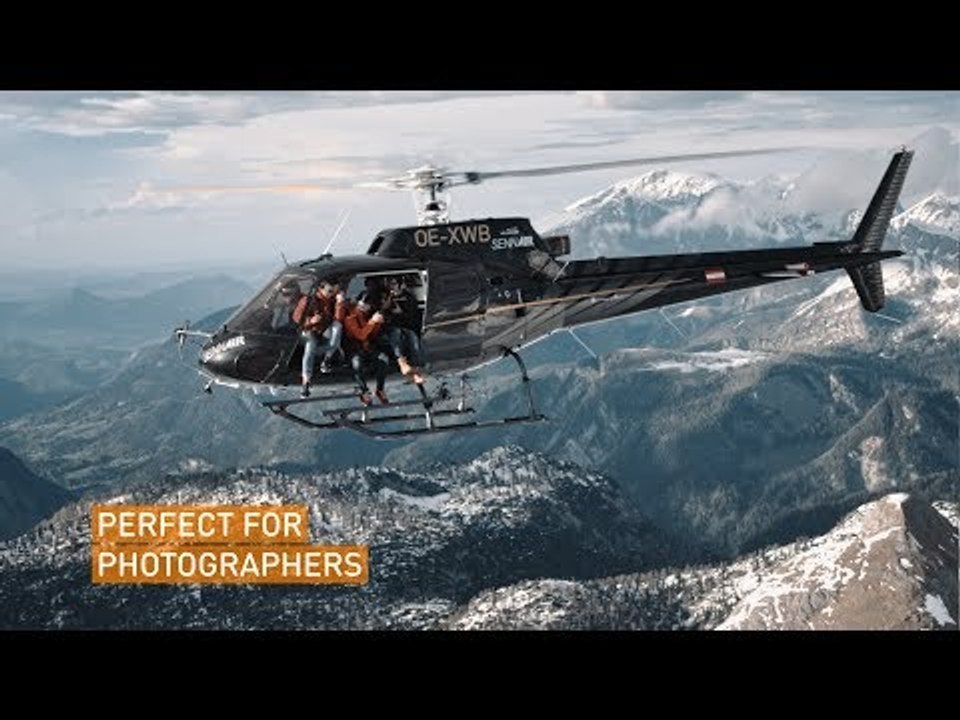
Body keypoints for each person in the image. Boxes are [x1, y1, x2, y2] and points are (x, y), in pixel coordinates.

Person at [291, 278, 346, 397]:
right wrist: (311, 320)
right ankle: (306, 380)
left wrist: (339, 303)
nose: (332, 293)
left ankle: (327, 360)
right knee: (311, 344)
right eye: (330, 291)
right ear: (320, 289)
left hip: (323, 330)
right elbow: (296, 318)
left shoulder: (331, 300)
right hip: (308, 330)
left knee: (337, 327)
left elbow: (338, 319)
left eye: (334, 291)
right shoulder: (308, 300)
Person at [343, 291, 389, 405]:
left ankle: (380, 389)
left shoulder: (366, 315)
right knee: (357, 363)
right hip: (354, 348)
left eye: (366, 304)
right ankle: (364, 390)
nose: (363, 305)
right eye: (362, 302)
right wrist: (373, 322)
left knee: (384, 359)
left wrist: (378, 323)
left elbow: (372, 335)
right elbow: (360, 335)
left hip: (367, 347)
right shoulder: (350, 316)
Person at [381, 275, 425, 384]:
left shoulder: (409, 298)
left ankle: (417, 370)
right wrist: (386, 306)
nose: (392, 287)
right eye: (389, 284)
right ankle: (402, 362)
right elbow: (381, 314)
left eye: (394, 284)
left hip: (406, 326)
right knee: (396, 333)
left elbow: (412, 318)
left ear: (401, 285)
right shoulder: (385, 297)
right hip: (390, 328)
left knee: (412, 337)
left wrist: (400, 312)